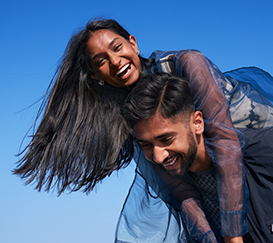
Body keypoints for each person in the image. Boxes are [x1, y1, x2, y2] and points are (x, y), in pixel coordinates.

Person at [12, 18, 273, 241]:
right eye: (101, 60)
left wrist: (232, 236)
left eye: (117, 47)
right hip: (211, 167)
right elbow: (180, 189)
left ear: (133, 44)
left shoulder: (186, 64)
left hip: (257, 148)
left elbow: (225, 142)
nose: (115, 62)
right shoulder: (133, 119)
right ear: (95, 77)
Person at [121, 72, 273, 242]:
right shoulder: (177, 193)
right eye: (146, 145)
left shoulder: (265, 151)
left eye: (166, 139)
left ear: (197, 123)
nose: (158, 157)